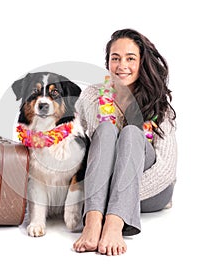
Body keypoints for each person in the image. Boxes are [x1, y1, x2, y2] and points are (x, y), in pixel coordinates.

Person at [73, 28, 177, 256]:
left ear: (142, 63)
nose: (122, 66)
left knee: (132, 133)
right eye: (115, 58)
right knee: (107, 129)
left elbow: (166, 170)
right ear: (107, 62)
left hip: (151, 190)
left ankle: (113, 224)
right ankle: (92, 222)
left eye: (131, 58)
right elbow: (79, 147)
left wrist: (116, 196)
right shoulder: (91, 96)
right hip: (100, 187)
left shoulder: (159, 104)